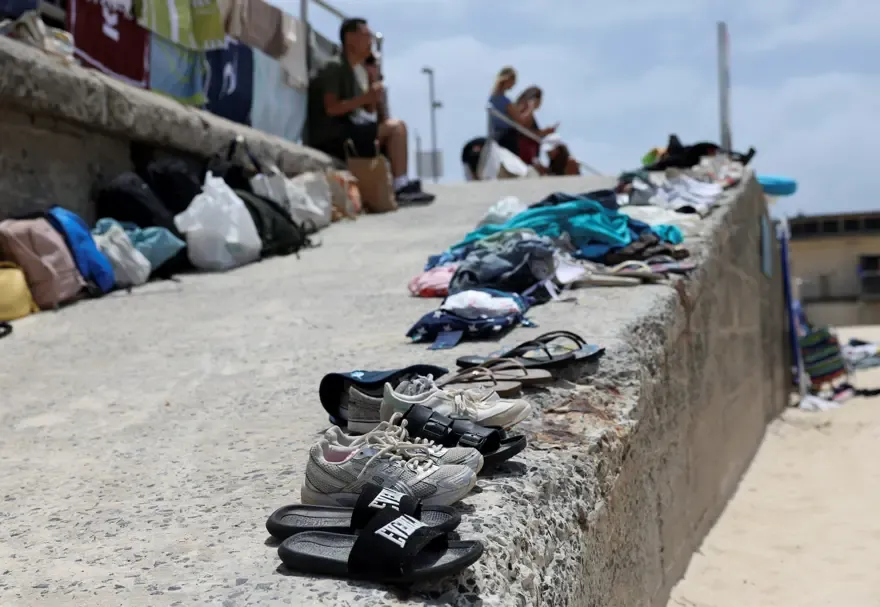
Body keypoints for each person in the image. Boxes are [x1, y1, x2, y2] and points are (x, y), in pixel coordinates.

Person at [306, 18, 432, 203]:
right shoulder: (334, 66)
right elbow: (331, 108)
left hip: (348, 132)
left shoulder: (354, 72)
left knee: (392, 128)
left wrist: (373, 79)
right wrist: (364, 98)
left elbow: (371, 111)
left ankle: (399, 183)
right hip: (332, 136)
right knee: (396, 128)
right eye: (366, 36)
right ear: (350, 38)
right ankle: (400, 186)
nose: (371, 41)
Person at [488, 66, 532, 154]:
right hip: (507, 139)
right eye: (513, 81)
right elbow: (521, 121)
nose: (513, 85)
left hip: (496, 137)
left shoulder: (492, 98)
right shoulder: (505, 101)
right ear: (508, 79)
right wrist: (530, 108)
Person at [512, 86, 558, 166]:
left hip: (530, 151)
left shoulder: (528, 110)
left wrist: (546, 132)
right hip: (522, 149)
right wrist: (531, 107)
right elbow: (522, 124)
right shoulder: (523, 106)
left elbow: (531, 131)